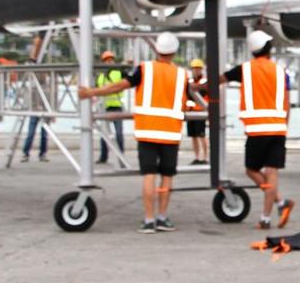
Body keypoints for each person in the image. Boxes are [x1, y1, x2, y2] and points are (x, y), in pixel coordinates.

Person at [79, 32, 188, 233]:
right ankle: (162, 217)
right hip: (171, 132)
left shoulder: (144, 69)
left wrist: (91, 93)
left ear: (157, 49)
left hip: (147, 131)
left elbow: (120, 86)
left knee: (149, 175)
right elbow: (185, 102)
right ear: (174, 52)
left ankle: (148, 220)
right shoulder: (182, 74)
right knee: (167, 176)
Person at [216, 30, 294, 230]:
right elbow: (287, 102)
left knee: (252, 170)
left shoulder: (245, 70)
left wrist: (197, 87)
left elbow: (220, 79)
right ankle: (268, 216)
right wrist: (285, 125)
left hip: (257, 130)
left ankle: (279, 203)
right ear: (268, 48)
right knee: (272, 172)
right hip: (278, 129)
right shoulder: (281, 71)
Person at [96, 50, 126, 164]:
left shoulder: (119, 72)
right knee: (104, 134)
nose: (109, 62)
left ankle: (121, 157)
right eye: (106, 60)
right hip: (104, 108)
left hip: (117, 107)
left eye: (110, 59)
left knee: (119, 134)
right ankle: (103, 157)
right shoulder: (100, 76)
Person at [186, 58, 209, 165]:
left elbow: (201, 95)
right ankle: (196, 157)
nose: (196, 71)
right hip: (191, 113)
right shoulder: (189, 82)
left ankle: (204, 156)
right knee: (193, 136)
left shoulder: (204, 82)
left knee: (201, 135)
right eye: (194, 69)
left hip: (200, 113)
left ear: (201, 69)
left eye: (197, 69)